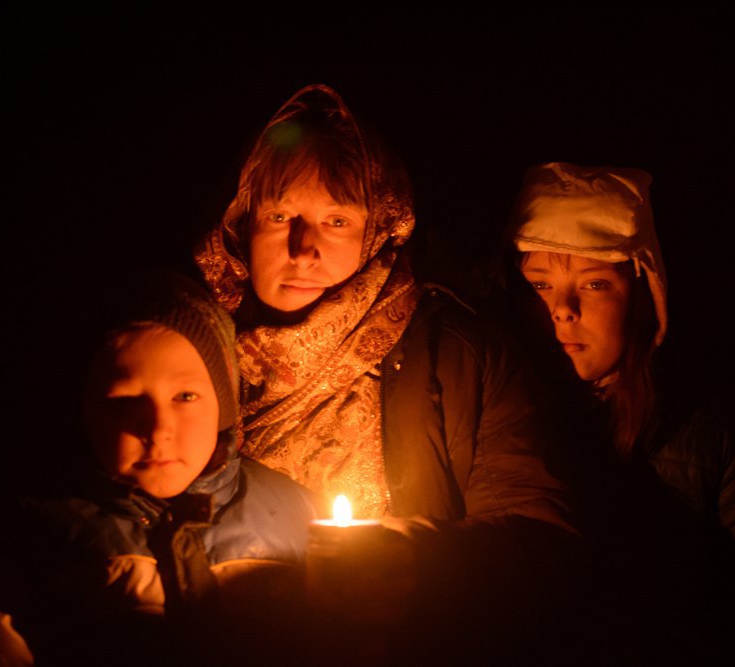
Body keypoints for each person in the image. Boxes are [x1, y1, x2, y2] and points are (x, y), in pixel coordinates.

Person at [195, 84, 584, 662]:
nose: (304, 249)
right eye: (280, 216)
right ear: (241, 224)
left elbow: (543, 547)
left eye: (336, 220)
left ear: (378, 228)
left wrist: (417, 561)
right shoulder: (188, 355)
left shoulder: (458, 354)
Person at [505, 161, 735, 663]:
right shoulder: (491, 418)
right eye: (540, 285)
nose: (563, 309)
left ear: (643, 298)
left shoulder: (709, 428)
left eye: (594, 284)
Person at [0, 271, 318, 666]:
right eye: (123, 401)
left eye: (185, 396)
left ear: (223, 406)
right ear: (84, 412)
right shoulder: (37, 532)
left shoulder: (297, 515)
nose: (158, 429)